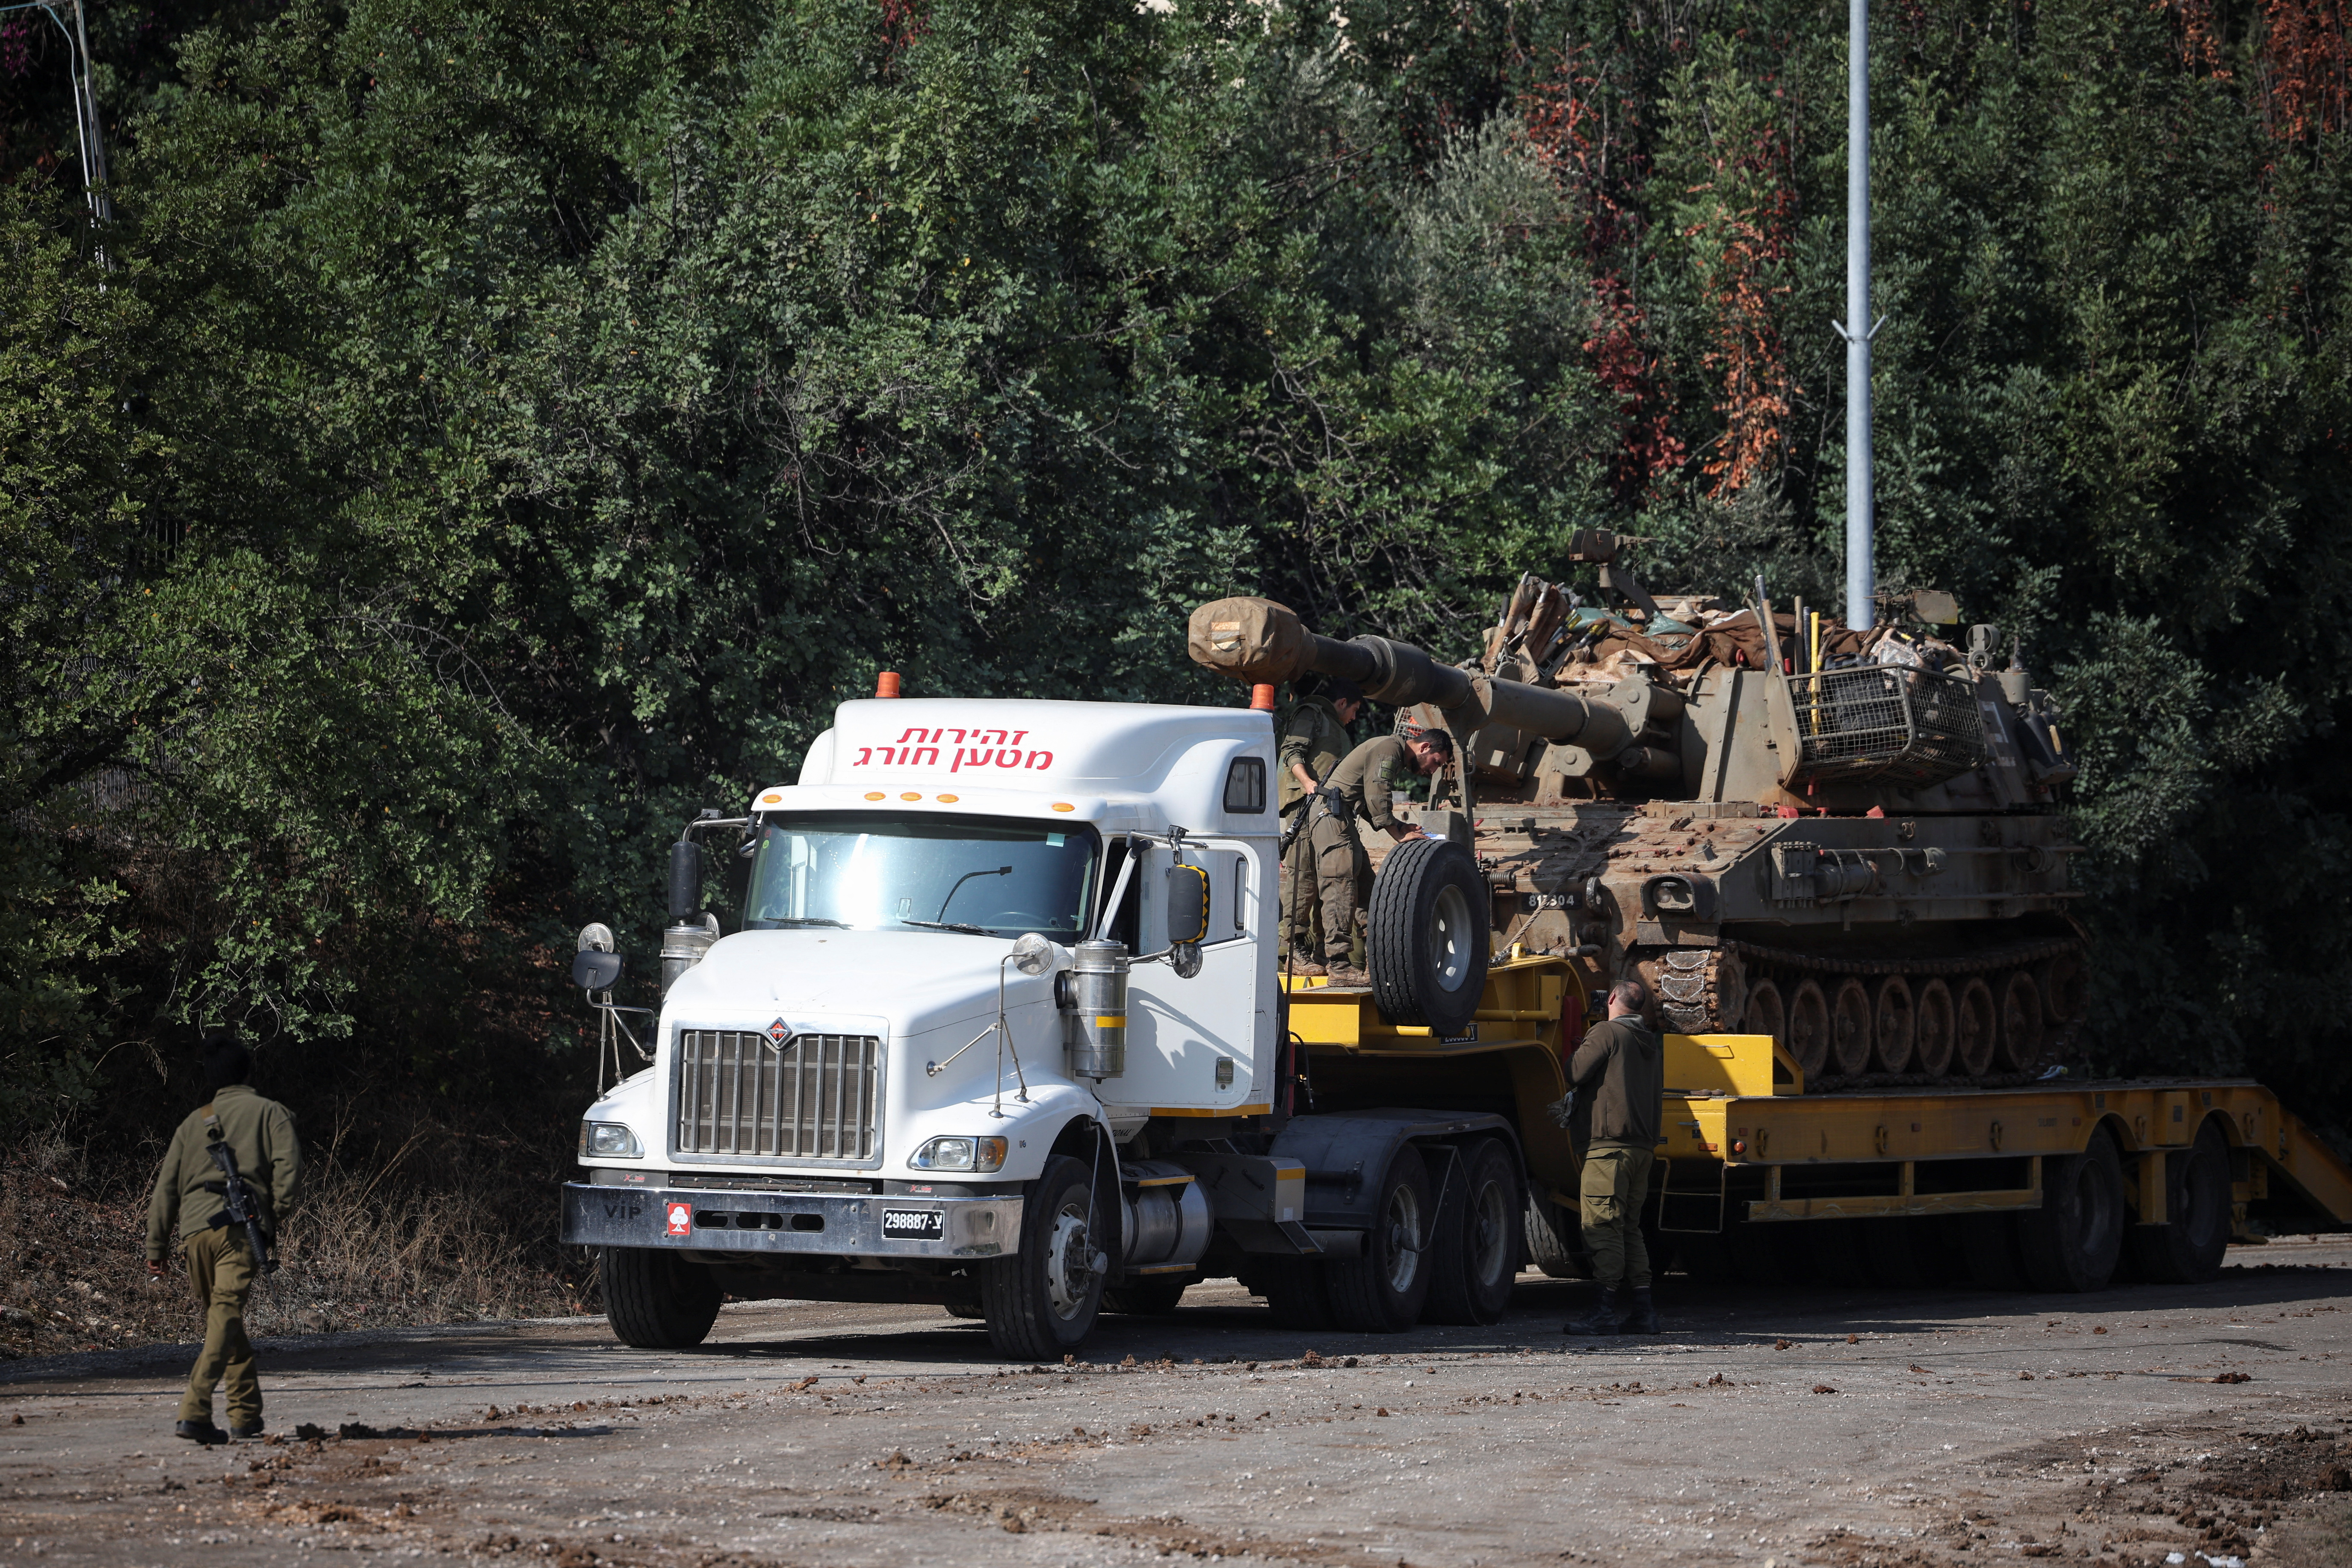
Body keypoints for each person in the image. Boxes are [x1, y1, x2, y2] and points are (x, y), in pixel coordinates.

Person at [145, 1034, 303, 1443]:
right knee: (225, 1317)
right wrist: (272, 1215)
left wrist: (156, 1246)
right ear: (247, 1071)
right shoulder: (270, 1112)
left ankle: (246, 1414)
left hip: (195, 1236)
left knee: (223, 1319)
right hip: (238, 1231)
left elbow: (165, 1190)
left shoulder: (192, 1123)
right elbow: (290, 1172)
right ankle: (195, 1410)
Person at [1298, 722, 1453, 986]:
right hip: (1331, 816)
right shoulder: (1390, 747)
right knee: (1341, 886)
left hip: (1342, 816)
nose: (1433, 770)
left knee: (1367, 889)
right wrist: (1398, 833)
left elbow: (1366, 801)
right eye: (1436, 762)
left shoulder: (1391, 752)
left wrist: (1401, 826)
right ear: (1425, 747)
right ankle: (1338, 966)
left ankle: (1376, 963)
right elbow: (1377, 795)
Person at [1562, 977, 1664, 1336]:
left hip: (1608, 1147)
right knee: (1629, 1228)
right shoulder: (1648, 1041)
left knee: (1602, 1225)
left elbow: (1574, 1072)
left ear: (1614, 999)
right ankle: (1643, 1312)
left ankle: (1604, 1311)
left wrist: (1573, 1048)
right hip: (1641, 1148)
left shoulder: (1607, 1033)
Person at [1276, 676, 1362, 964]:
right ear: (1342, 703)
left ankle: (1322, 950)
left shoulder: (1335, 726)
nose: (1354, 718)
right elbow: (1291, 752)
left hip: (1327, 812)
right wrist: (1308, 783)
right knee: (1303, 877)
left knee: (1328, 877)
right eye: (1354, 710)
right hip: (1304, 805)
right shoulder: (1311, 713)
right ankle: (1292, 949)